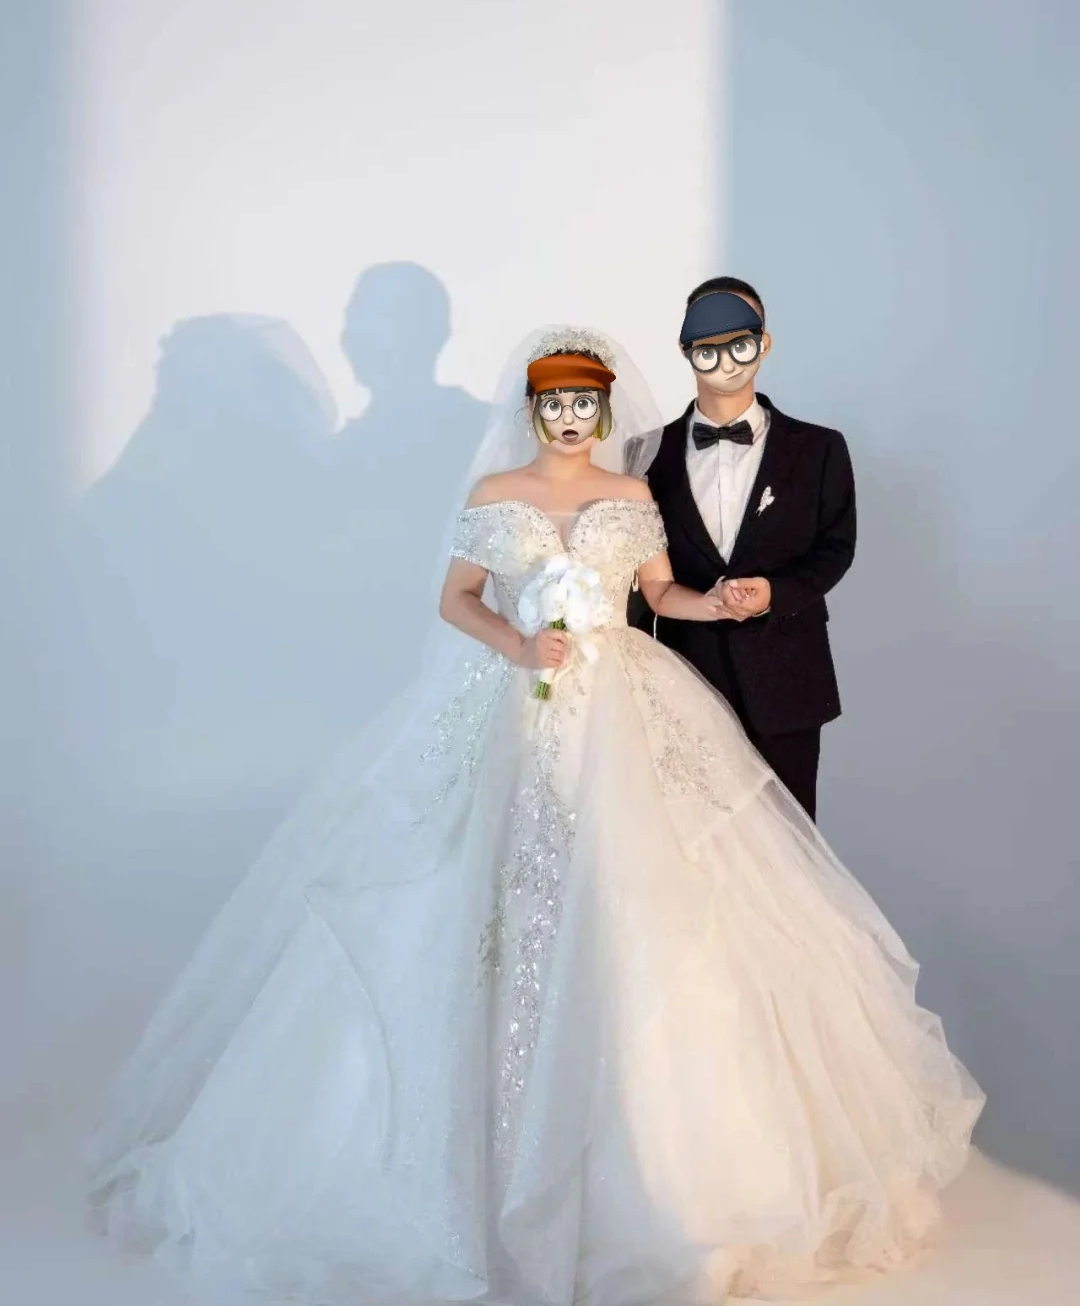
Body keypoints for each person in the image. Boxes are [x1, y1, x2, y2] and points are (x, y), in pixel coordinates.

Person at [87, 326, 982, 1306]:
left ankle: (658, 1175)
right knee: (476, 895)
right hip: (518, 703)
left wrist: (721, 605)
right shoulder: (495, 494)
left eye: (583, 403)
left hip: (622, 707)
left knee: (653, 893)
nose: (569, 418)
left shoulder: (632, 496)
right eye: (554, 403)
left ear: (602, 410)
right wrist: (518, 645)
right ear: (534, 410)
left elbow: (657, 593)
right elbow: (456, 598)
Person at [636, 279, 855, 820]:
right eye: (708, 339)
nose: (726, 355)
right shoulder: (646, 454)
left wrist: (774, 594)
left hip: (788, 681)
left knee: (791, 842)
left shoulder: (820, 448)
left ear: (764, 341)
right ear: (687, 348)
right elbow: (631, 571)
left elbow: (835, 549)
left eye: (740, 336)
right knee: (694, 842)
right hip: (684, 678)